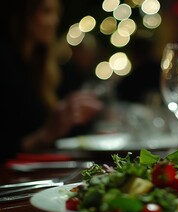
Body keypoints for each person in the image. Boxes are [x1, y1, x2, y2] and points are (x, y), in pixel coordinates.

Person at [0, 0, 103, 163]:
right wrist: (47, 133)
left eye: (56, 13)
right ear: (21, 14)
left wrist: (75, 119)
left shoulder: (41, 69)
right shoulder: (6, 65)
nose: (55, 20)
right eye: (46, 12)